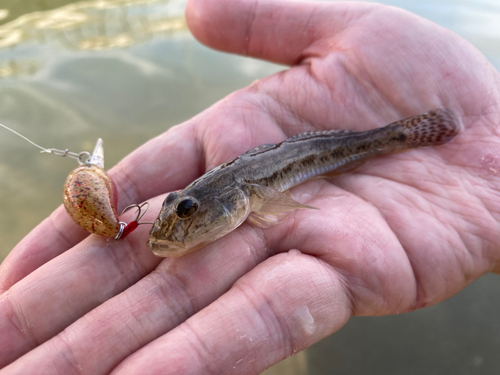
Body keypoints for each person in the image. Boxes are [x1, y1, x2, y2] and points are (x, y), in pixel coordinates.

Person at [1, 0, 499, 373]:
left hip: (346, 146)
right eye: (181, 211)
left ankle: (411, 132)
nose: (175, 227)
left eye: (188, 211)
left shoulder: (247, 195)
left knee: (383, 140)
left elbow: (271, 204)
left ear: (236, 202)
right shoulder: (230, 196)